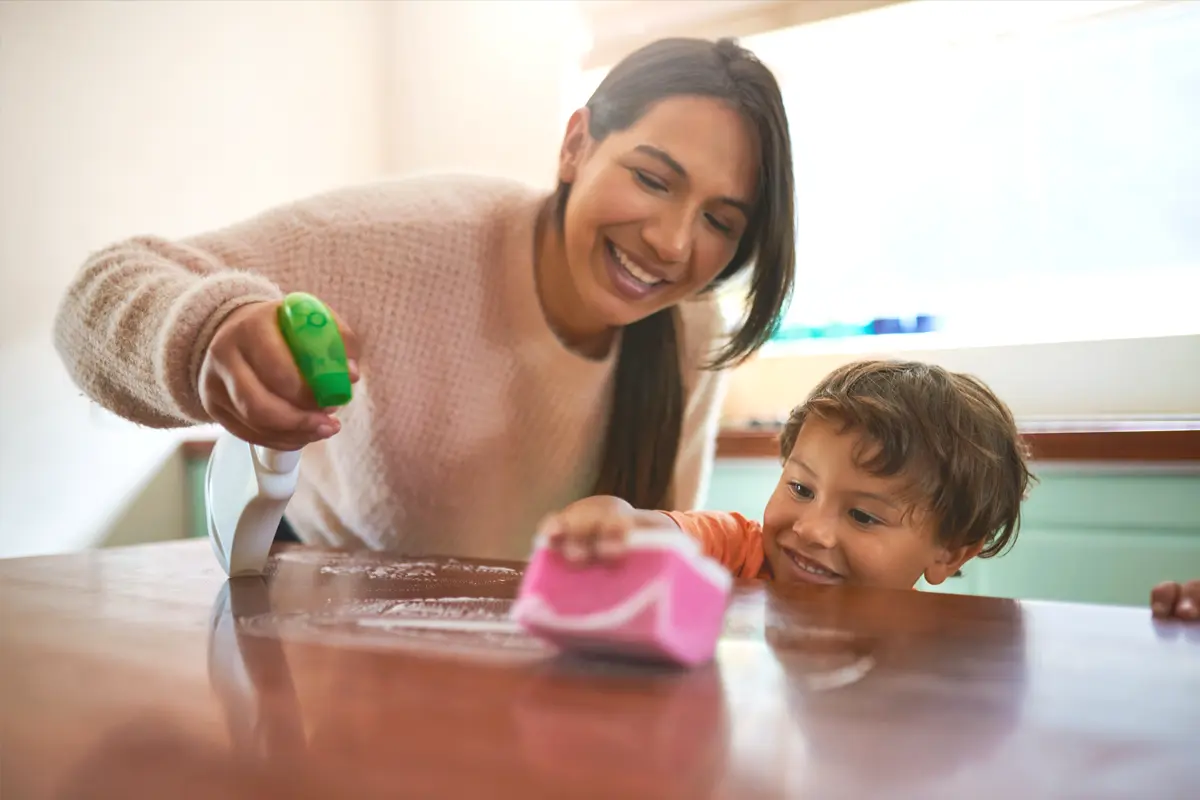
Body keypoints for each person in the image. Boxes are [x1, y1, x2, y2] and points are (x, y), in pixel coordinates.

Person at [52, 38, 796, 559]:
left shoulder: (693, 329)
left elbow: (663, 544)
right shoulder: (405, 238)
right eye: (653, 179)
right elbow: (99, 293)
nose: (671, 242)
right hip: (321, 634)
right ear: (576, 145)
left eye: (719, 221)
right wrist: (213, 333)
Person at [539, 359, 1034, 590]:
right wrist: (611, 519)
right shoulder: (737, 552)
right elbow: (656, 531)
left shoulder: (936, 651)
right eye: (800, 488)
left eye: (862, 516)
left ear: (948, 551)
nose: (810, 530)